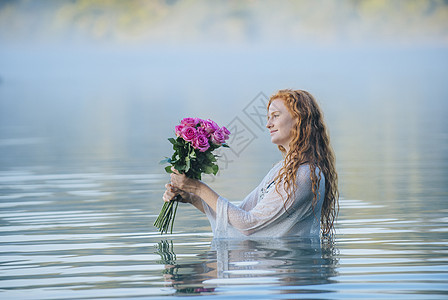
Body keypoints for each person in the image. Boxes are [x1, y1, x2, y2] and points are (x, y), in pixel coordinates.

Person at [163, 89, 339, 238]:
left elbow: (248, 225)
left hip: (291, 269)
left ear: (299, 119)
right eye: (268, 117)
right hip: (268, 264)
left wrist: (198, 188)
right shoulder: (281, 169)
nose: (268, 124)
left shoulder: (305, 174)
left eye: (275, 116)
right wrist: (192, 198)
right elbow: (240, 215)